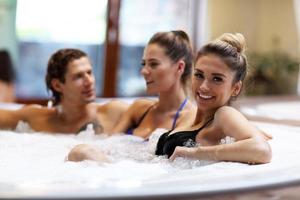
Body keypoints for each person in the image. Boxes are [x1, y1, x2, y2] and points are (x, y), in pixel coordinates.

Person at [67, 30, 197, 161]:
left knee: (81, 152)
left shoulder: (189, 116)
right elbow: (107, 145)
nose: (144, 71)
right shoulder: (139, 109)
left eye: (153, 64)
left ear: (180, 67)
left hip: (144, 175)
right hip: (117, 170)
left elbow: (170, 163)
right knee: (79, 151)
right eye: (143, 64)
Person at [155, 33, 272, 164]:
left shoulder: (224, 115)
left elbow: (262, 151)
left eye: (217, 79)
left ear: (236, 88)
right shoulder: (190, 114)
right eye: (199, 75)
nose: (204, 86)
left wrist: (193, 153)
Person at [0, 48, 128, 134]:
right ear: (57, 85)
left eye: (89, 73)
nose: (89, 81)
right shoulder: (36, 118)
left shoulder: (112, 112)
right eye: (78, 76)